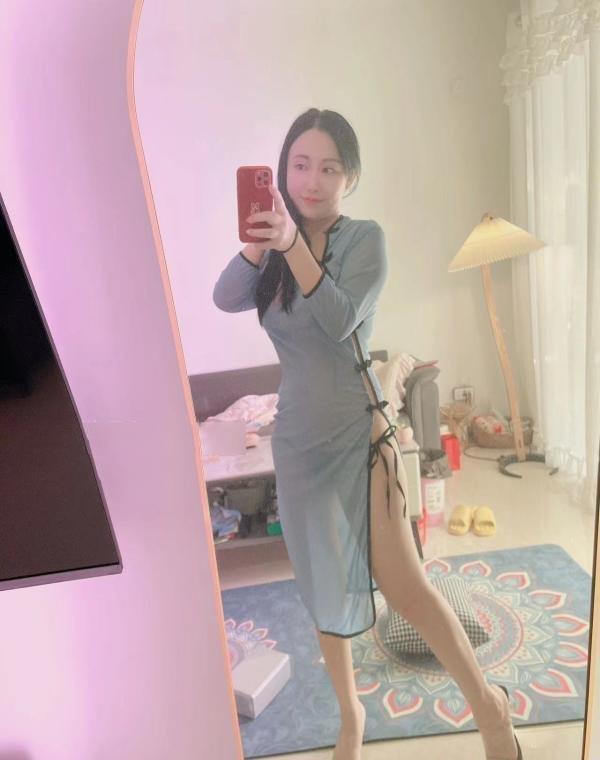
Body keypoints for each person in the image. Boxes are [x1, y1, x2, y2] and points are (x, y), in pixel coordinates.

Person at [213, 108, 522, 760]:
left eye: (329, 168)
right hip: (297, 442)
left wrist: (293, 247)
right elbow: (224, 297)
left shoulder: (364, 241)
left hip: (359, 437)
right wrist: (260, 245)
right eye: (300, 165)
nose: (313, 180)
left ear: (350, 177)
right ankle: (350, 713)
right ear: (282, 170)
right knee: (322, 583)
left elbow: (338, 321)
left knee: (406, 588)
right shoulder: (274, 252)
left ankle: (488, 708)